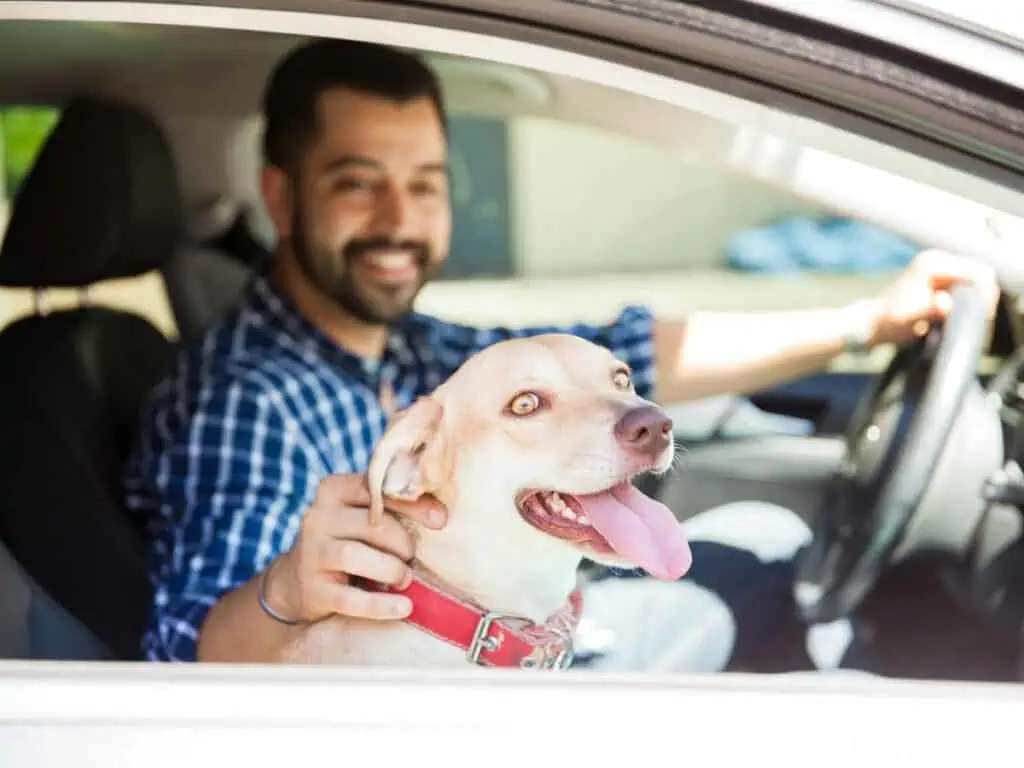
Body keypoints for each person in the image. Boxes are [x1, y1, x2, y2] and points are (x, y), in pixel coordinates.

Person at [122, 38, 999, 671]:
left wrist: (860, 321)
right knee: (793, 606)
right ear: (281, 194)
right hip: (437, 691)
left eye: (424, 184)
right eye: (358, 183)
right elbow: (190, 653)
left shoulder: (408, 341)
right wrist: (286, 589)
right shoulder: (246, 399)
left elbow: (626, 356)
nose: (398, 218)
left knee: (768, 537)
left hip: (522, 640)